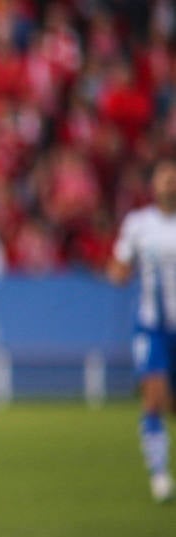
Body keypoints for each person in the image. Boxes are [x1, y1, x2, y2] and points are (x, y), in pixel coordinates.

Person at [107, 154, 176, 503]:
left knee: (170, 404)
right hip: (151, 326)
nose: (170, 183)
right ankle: (160, 474)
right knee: (154, 396)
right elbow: (118, 266)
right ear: (153, 185)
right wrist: (118, 272)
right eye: (165, 176)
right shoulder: (139, 224)